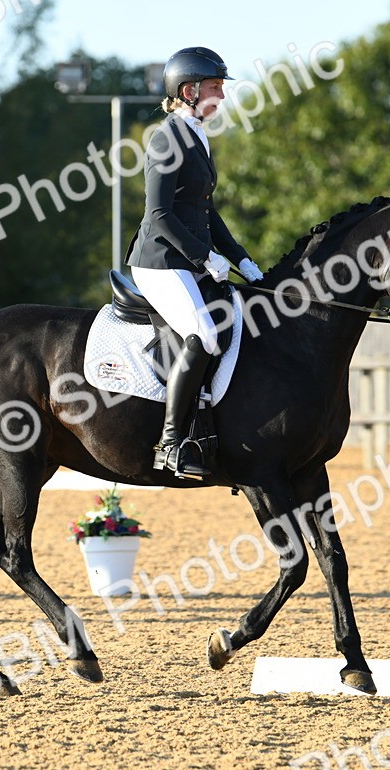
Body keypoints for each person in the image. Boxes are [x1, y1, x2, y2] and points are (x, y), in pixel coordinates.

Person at [124, 46, 263, 478]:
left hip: (188, 260)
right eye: (215, 87)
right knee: (202, 333)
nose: (221, 96)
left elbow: (206, 211)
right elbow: (158, 214)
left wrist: (240, 258)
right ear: (189, 91)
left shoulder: (197, 135)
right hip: (160, 262)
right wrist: (205, 256)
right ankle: (169, 444)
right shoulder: (166, 138)